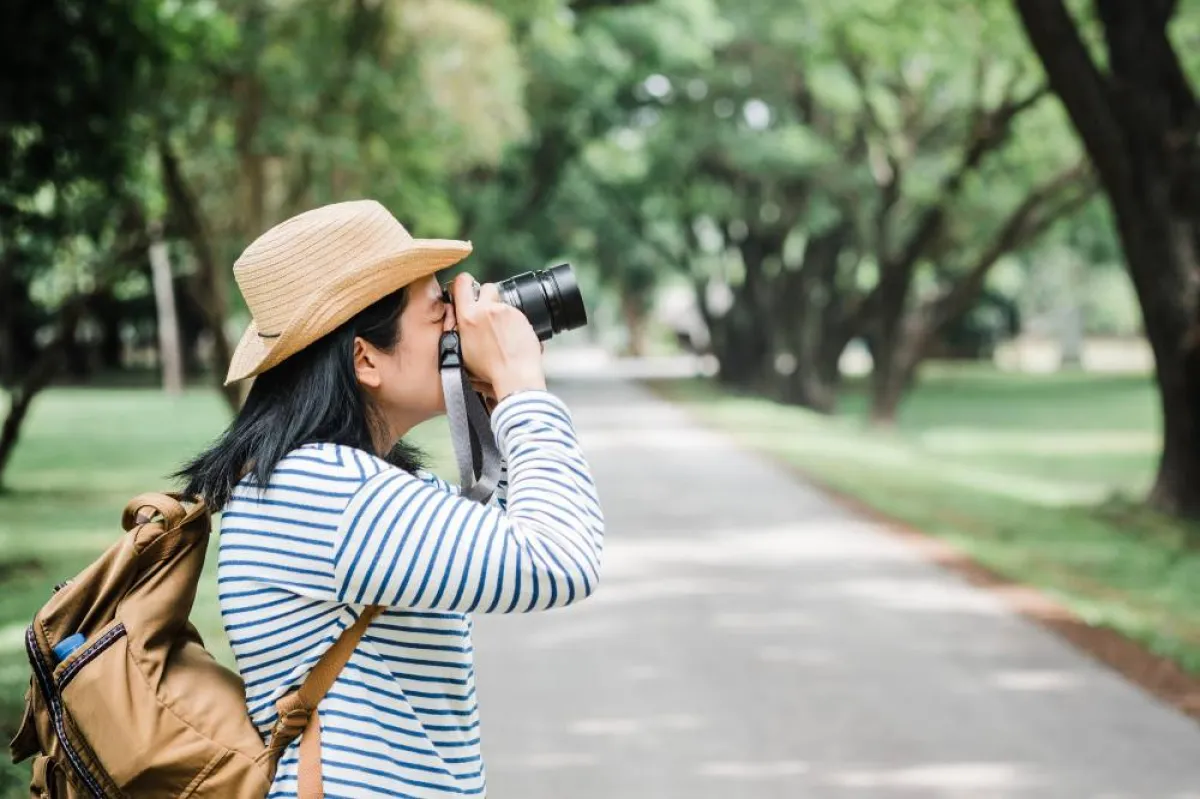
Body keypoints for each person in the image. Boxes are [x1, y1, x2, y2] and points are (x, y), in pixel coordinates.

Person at [177, 200, 605, 798]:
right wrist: (519, 384)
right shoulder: (324, 490)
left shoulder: (342, 484)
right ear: (365, 357)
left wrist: (494, 403)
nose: (458, 326)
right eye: (438, 314)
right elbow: (560, 559)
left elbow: (517, 529)